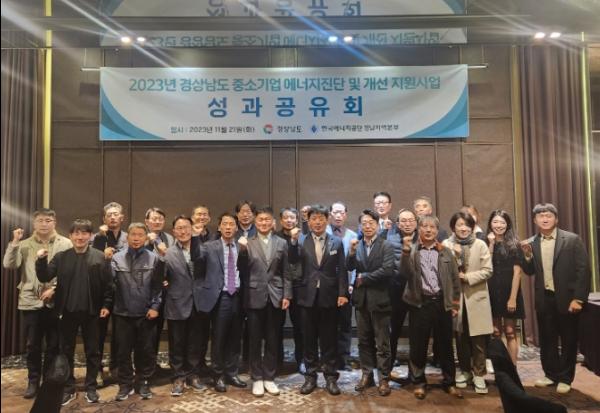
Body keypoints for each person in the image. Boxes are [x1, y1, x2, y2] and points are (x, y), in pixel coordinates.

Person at [35, 219, 113, 406]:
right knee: (66, 351)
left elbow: (108, 285)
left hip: (92, 312)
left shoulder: (99, 257)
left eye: (84, 233)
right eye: (76, 233)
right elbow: (44, 276)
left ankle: (91, 387)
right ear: (70, 236)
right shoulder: (61, 257)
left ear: (90, 236)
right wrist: (41, 260)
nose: (80, 237)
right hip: (66, 312)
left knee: (93, 351)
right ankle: (68, 388)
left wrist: (106, 305)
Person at [521, 203, 590, 394]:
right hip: (545, 299)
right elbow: (529, 271)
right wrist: (527, 256)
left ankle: (565, 378)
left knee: (568, 339)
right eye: (541, 216)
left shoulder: (572, 239)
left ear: (556, 219)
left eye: (548, 215)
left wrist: (578, 298)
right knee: (547, 339)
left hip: (568, 298)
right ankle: (550, 374)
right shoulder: (532, 242)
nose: (545, 219)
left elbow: (583, 271)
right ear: (535, 220)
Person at [2, 208, 72, 399]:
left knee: (53, 345)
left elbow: (68, 272)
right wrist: (14, 242)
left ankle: (49, 381)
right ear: (34, 223)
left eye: (48, 220)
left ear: (54, 222)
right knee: (32, 345)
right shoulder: (24, 244)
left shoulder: (65, 243)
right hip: (30, 301)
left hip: (56, 302)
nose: (44, 224)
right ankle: (33, 381)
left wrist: (54, 289)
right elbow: (9, 265)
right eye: (40, 220)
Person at [401, 215, 462, 400]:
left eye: (432, 227)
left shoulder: (446, 252)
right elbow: (404, 273)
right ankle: (419, 382)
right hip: (420, 304)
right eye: (424, 226)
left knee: (445, 346)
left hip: (442, 303)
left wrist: (455, 303)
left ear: (437, 230)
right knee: (418, 346)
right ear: (419, 229)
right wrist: (405, 253)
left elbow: (455, 279)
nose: (428, 230)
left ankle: (449, 382)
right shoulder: (412, 250)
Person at [289, 205, 348, 396]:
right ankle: (310, 377)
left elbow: (342, 270)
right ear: (309, 221)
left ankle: (331, 377)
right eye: (313, 219)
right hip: (307, 296)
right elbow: (292, 261)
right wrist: (292, 242)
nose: (317, 222)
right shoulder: (301, 240)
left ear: (327, 220)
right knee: (309, 339)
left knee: (329, 339)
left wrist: (342, 293)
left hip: (329, 296)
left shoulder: (336, 242)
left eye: (321, 218)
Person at [237, 207, 292, 397]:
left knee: (272, 338)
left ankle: (269, 377)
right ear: (255, 222)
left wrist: (287, 295)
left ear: (273, 222)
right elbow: (241, 269)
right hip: (254, 296)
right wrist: (242, 251)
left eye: (267, 219)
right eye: (260, 220)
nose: (264, 223)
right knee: (254, 339)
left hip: (276, 296)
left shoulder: (281, 242)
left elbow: (286, 272)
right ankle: (257, 378)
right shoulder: (247, 242)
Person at [191, 213, 247, 392]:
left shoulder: (242, 246)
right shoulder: (209, 246)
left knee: (235, 337)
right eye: (225, 224)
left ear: (236, 228)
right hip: (220, 297)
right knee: (219, 338)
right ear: (220, 227)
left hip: (238, 296)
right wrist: (195, 237)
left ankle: (232, 372)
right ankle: (218, 375)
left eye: (232, 224)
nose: (228, 227)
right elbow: (196, 257)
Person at [111, 223, 164, 401]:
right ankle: (125, 384)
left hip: (145, 313)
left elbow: (157, 287)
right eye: (133, 234)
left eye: (140, 235)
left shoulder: (154, 258)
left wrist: (155, 307)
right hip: (122, 313)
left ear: (146, 238)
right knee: (123, 352)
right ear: (127, 237)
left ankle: (143, 382)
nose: (136, 238)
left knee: (146, 351)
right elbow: (110, 285)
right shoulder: (116, 258)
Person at [443, 211, 493, 394]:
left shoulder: (480, 244)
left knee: (478, 338)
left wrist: (467, 277)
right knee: (460, 337)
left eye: (466, 225)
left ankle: (479, 374)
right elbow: (444, 270)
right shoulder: (446, 245)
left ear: (472, 227)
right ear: (453, 227)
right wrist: (456, 257)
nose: (463, 228)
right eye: (459, 225)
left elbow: (488, 270)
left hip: (476, 296)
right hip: (456, 298)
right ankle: (465, 371)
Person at [347, 209, 395, 396]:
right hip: (361, 301)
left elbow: (388, 270)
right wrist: (351, 253)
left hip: (380, 299)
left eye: (371, 223)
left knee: (382, 343)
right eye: (364, 223)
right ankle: (367, 375)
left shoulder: (386, 245)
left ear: (377, 225)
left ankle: (384, 378)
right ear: (360, 226)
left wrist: (364, 277)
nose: (367, 226)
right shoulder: (357, 245)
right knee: (363, 341)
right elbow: (349, 267)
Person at [161, 215, 206, 396]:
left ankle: (193, 374)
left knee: (195, 342)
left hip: (198, 303)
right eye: (179, 228)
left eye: (186, 227)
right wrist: (165, 284)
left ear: (192, 229)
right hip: (176, 303)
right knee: (177, 343)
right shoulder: (168, 253)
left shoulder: (202, 249)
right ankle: (178, 376)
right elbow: (161, 277)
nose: (183, 231)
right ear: (174, 232)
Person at [91, 201, 127, 384]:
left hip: (123, 290)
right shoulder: (95, 238)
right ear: (104, 219)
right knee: (98, 333)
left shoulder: (129, 237)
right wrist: (101, 248)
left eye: (116, 214)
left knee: (120, 334)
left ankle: (116, 367)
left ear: (122, 218)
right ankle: (96, 369)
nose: (113, 217)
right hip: (101, 291)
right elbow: (90, 262)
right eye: (109, 215)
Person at [486, 210, 525, 365]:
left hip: (510, 293)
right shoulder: (484, 242)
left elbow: (518, 273)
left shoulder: (514, 244)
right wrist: (491, 244)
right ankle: (500, 368)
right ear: (490, 223)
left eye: (502, 222)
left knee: (510, 332)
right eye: (495, 222)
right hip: (491, 293)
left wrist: (513, 298)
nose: (499, 225)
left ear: (507, 224)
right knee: (495, 332)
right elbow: (485, 266)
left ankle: (512, 368)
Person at [386, 208, 418, 373]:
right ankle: (388, 369)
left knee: (417, 332)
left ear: (416, 223)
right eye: (403, 221)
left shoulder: (423, 238)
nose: (407, 224)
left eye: (411, 220)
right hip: (396, 291)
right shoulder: (390, 240)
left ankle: (415, 372)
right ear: (397, 224)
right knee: (394, 330)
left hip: (418, 291)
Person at [328, 202, 357, 371]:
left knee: (345, 324)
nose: (338, 216)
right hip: (327, 287)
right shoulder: (324, 233)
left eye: (341, 212)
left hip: (346, 287)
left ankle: (344, 359)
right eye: (335, 212)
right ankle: (329, 358)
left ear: (345, 215)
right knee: (328, 324)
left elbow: (354, 262)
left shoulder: (352, 235)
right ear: (330, 214)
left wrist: (351, 283)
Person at [274, 207, 304, 373]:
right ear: (281, 220)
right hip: (279, 286)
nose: (289, 220)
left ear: (297, 220)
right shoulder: (274, 237)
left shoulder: (303, 237)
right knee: (276, 326)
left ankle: (301, 360)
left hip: (298, 285)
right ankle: (277, 362)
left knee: (300, 326)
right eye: (286, 217)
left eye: (292, 217)